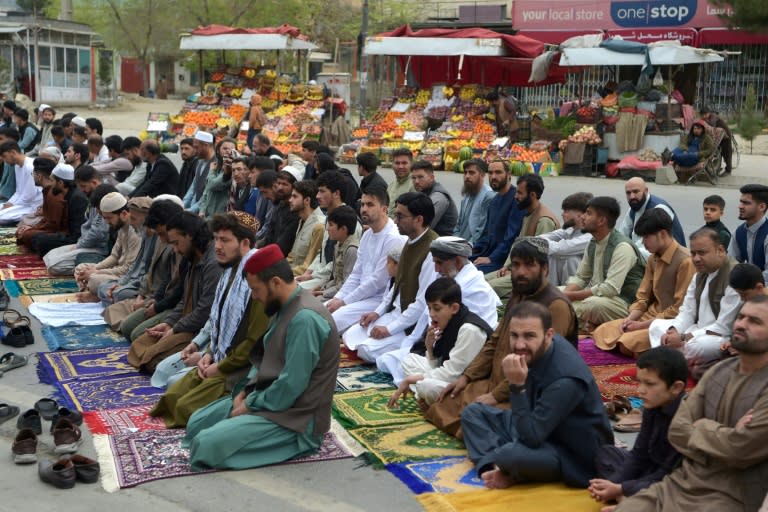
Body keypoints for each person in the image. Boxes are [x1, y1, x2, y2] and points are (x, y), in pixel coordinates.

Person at [181, 244, 340, 471]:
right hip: (269, 399)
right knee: (196, 422)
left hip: (295, 419)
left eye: (255, 290)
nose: (254, 297)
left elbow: (291, 385)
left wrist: (250, 405)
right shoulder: (281, 306)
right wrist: (246, 392)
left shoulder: (305, 319)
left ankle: (295, 444)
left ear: (275, 282)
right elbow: (264, 360)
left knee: (205, 445)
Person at [615, 294, 768, 512]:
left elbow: (740, 450)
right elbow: (677, 431)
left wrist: (701, 427)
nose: (742, 324)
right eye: (741, 317)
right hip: (684, 482)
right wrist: (726, 435)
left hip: (732, 494)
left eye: (755, 321)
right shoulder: (718, 372)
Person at [461, 301, 613, 489]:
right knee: (473, 413)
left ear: (549, 335)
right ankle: (495, 467)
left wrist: (516, 386)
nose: (519, 344)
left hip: (568, 451)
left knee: (510, 454)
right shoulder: (540, 349)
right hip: (538, 425)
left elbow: (531, 438)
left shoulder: (565, 380)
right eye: (514, 335)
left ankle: (503, 464)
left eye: (529, 336)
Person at [149, 213, 269, 427]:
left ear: (245, 243)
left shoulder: (256, 281)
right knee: (172, 393)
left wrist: (220, 366)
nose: (217, 246)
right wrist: (209, 353)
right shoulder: (229, 271)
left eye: (225, 240)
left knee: (185, 409)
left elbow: (254, 344)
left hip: (241, 369)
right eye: (216, 239)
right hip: (219, 357)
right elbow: (217, 321)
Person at [376, 236, 502, 384]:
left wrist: (431, 349)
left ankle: (426, 381)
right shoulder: (447, 277)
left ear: (457, 261)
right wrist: (428, 346)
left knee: (409, 371)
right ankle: (426, 378)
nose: (436, 269)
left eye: (439, 263)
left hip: (461, 355)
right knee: (388, 360)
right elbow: (424, 309)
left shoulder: (477, 289)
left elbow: (471, 337)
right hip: (437, 349)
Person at [343, 192, 438, 359]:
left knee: (366, 350)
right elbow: (396, 285)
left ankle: (409, 349)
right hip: (395, 313)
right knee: (351, 335)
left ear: (419, 220)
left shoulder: (431, 251)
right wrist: (377, 313)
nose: (395, 221)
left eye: (400, 216)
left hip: (411, 324)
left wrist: (390, 329)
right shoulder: (409, 241)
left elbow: (422, 303)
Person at [589, 347, 687, 506]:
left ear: (676, 387)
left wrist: (621, 488)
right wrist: (615, 484)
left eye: (649, 384)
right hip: (648, 471)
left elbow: (668, 474)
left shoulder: (685, 419)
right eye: (639, 382)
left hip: (670, 480)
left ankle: (632, 500)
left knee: (671, 492)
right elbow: (638, 455)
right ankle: (630, 499)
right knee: (605, 453)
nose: (640, 390)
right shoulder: (653, 406)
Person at [127, 211, 222, 373]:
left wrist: (175, 328)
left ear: (190, 236)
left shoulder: (213, 263)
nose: (175, 250)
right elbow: (185, 300)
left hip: (200, 331)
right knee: (139, 342)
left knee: (152, 360)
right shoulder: (191, 257)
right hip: (186, 322)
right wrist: (169, 323)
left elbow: (205, 311)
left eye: (177, 243)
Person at [593, 208, 695, 357]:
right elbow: (643, 297)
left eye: (646, 237)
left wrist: (640, 326)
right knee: (603, 330)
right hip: (648, 317)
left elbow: (678, 309)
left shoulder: (685, 261)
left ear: (662, 234)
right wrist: (630, 320)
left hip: (667, 323)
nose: (643, 243)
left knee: (626, 343)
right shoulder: (652, 258)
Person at [648, 227, 741, 378]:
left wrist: (684, 338)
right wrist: (675, 330)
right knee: (656, 326)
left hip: (718, 336)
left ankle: (669, 362)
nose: (696, 258)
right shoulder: (699, 275)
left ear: (720, 250)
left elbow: (723, 327)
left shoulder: (734, 276)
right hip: (696, 330)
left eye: (702, 253)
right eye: (693, 253)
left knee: (699, 346)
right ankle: (676, 360)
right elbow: (687, 312)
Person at [389, 277, 494, 408]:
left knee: (427, 386)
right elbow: (438, 365)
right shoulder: (450, 321)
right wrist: (429, 347)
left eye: (437, 309)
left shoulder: (470, 330)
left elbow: (451, 374)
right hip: (452, 376)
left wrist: (412, 379)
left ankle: (426, 396)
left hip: (471, 385)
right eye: (429, 308)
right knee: (409, 360)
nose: (431, 314)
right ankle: (426, 397)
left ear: (454, 308)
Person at [325, 187, 404, 332]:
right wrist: (338, 298)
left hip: (378, 300)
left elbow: (377, 281)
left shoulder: (393, 238)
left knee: (332, 320)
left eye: (370, 205)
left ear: (384, 209)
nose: (364, 209)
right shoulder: (367, 235)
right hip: (360, 295)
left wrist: (344, 301)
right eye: (362, 204)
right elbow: (356, 274)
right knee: (322, 310)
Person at [564, 196, 645, 333]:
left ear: (601, 220)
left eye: (588, 213)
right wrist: (565, 294)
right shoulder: (593, 243)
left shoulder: (622, 247)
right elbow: (581, 277)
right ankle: (581, 321)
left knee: (592, 305)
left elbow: (610, 289)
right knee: (555, 291)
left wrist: (569, 297)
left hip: (623, 304)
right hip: (600, 298)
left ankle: (566, 316)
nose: (582, 217)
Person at [114, 198, 183, 340]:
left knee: (135, 334)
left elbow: (181, 292)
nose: (162, 239)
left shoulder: (184, 247)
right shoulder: (160, 239)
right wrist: (152, 299)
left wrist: (156, 305)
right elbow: (161, 274)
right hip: (158, 296)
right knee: (128, 326)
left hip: (175, 306)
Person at [486, 173, 560, 301]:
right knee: (480, 280)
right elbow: (518, 245)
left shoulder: (544, 220)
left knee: (488, 288)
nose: (515, 196)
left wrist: (516, 270)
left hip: (530, 275)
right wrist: (507, 266)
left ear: (532, 195)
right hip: (517, 267)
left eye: (520, 193)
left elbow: (539, 258)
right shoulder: (527, 214)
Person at [296, 170, 360, 291]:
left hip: (333, 282)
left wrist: (312, 276)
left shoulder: (350, 221)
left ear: (336, 193)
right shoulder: (329, 217)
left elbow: (340, 264)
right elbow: (322, 253)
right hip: (320, 276)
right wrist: (308, 272)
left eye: (322, 191)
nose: (317, 196)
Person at [74, 192, 142, 302]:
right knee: (81, 268)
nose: (106, 222)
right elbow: (114, 256)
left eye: (109, 218)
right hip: (115, 270)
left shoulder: (135, 233)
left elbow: (127, 269)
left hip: (124, 276)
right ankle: (91, 291)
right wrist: (96, 268)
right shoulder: (121, 227)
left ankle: (95, 294)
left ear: (124, 214)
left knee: (93, 279)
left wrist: (96, 273)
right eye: (104, 218)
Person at [43, 175, 113, 274]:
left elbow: (97, 234)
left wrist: (80, 245)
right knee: (49, 257)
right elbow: (87, 226)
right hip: (84, 242)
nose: (82, 190)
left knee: (54, 266)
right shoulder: (93, 200)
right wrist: (80, 243)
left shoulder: (104, 206)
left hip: (96, 248)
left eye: (83, 186)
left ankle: (82, 269)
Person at [96, 197, 155, 306]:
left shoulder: (156, 239)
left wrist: (125, 286)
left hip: (143, 287)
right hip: (131, 281)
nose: (130, 222)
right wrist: (121, 283)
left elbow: (147, 274)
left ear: (147, 219)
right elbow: (133, 268)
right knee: (103, 287)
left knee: (120, 294)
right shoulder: (144, 235)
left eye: (133, 219)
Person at [471, 159, 524, 273]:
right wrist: (470, 249)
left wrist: (491, 258)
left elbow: (511, 238)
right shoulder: (494, 201)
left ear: (509, 174)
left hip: (502, 260)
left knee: (470, 273)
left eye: (498, 172)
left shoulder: (516, 200)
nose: (493, 176)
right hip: (486, 253)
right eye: (490, 173)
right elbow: (486, 234)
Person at [28, 163, 88, 257]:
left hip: (75, 239)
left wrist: (58, 237)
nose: (50, 184)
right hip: (67, 234)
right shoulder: (69, 194)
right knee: (37, 238)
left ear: (61, 183)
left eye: (52, 180)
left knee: (40, 241)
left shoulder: (77, 198)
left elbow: (76, 234)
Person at [619, 177, 686, 259]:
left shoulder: (659, 209)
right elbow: (622, 235)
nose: (632, 196)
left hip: (671, 259)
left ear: (646, 191)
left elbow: (647, 248)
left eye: (636, 191)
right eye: (628, 193)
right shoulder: (634, 207)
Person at [539, 191, 593, 286]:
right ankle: (551, 293)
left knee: (569, 259)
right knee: (552, 256)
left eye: (566, 211)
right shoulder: (570, 230)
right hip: (568, 282)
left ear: (580, 215)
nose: (562, 214)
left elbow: (560, 248)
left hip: (589, 286)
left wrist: (537, 242)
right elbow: (543, 237)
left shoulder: (589, 237)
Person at [317, 205, 360, 299]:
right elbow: (334, 277)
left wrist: (323, 293)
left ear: (343, 229)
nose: (327, 228)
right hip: (333, 289)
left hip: (341, 296)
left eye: (331, 225)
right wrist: (320, 287)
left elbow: (347, 285)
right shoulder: (338, 244)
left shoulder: (352, 250)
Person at [729, 184, 768, 283]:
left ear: (762, 207)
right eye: (741, 202)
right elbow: (731, 264)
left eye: (746, 203)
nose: (740, 206)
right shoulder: (738, 233)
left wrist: (746, 284)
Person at [256, 170, 300, 256]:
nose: (280, 188)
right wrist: (256, 246)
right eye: (278, 183)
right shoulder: (279, 206)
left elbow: (283, 245)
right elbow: (269, 235)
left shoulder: (295, 211)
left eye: (284, 184)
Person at [286, 180, 325, 276]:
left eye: (295, 196)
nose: (290, 200)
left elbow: (308, 265)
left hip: (300, 279)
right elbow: (292, 257)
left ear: (307, 200)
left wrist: (282, 273)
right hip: (291, 273)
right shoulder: (302, 220)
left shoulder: (319, 225)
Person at [410, 160, 458, 236]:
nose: (416, 181)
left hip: (443, 243)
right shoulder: (424, 192)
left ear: (432, 178)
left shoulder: (438, 197)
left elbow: (423, 228)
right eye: (413, 178)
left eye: (420, 177)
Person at [453, 158, 494, 246]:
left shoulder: (488, 196)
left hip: (472, 247)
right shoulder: (468, 194)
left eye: (472, 173)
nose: (467, 176)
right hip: (459, 243)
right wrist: (454, 242)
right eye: (465, 172)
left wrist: (465, 246)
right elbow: (458, 225)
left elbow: (481, 231)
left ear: (482, 175)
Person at [0, 140, 42, 223]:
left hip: (33, 205)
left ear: (13, 152)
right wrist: (9, 203)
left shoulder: (30, 166)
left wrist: (12, 205)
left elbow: (30, 195)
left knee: (1, 216)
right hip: (22, 203)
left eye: (5, 156)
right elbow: (19, 191)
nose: (5, 160)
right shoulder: (17, 166)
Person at [198, 138, 236, 218]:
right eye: (225, 148)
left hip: (221, 217)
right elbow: (206, 192)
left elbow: (212, 185)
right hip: (207, 215)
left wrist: (211, 171)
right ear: (218, 151)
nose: (228, 151)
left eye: (232, 149)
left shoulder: (233, 169)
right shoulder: (216, 166)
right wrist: (202, 210)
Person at [183, 131, 216, 213]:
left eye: (196, 147)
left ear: (206, 145)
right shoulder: (200, 162)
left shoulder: (217, 164)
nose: (194, 151)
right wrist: (182, 205)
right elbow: (193, 188)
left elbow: (208, 193)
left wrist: (191, 210)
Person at [700, 105, 733, 175]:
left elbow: (712, 125)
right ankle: (717, 168)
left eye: (705, 114)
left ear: (708, 113)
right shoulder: (707, 118)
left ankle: (728, 170)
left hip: (725, 136)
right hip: (718, 137)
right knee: (718, 153)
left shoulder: (713, 117)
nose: (703, 116)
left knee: (726, 153)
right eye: (702, 115)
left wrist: (704, 123)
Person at [387, 148, 415, 219]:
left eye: (404, 163)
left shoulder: (415, 186)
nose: (400, 166)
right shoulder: (391, 186)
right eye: (397, 163)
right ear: (392, 165)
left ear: (411, 164)